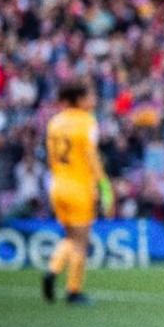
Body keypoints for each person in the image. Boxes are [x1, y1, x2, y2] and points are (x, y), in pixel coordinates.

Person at [41, 80, 107, 306]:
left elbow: (50, 158)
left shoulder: (55, 122)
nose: (93, 100)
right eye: (90, 96)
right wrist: (104, 185)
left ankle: (53, 269)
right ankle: (73, 290)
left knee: (70, 237)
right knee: (81, 241)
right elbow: (91, 156)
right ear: (79, 99)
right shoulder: (87, 122)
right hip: (79, 187)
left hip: (58, 185)